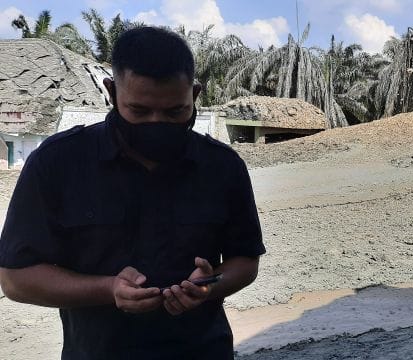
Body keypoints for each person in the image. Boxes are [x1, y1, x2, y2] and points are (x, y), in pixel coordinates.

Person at [0, 26, 265, 359]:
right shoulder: (57, 163)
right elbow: (15, 279)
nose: (157, 123)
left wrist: (210, 286)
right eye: (139, 111)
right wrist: (108, 288)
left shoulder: (223, 166)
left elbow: (246, 261)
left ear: (195, 94)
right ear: (111, 91)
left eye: (175, 112)